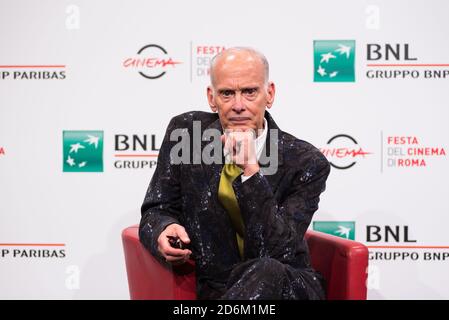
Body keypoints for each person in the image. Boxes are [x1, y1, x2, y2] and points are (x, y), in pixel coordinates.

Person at [139, 47, 330, 300]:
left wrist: (250, 171)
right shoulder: (187, 134)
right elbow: (156, 210)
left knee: (267, 268)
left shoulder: (305, 162)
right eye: (227, 93)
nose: (238, 105)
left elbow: (277, 249)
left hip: (284, 286)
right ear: (211, 97)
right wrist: (164, 228)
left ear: (269, 94)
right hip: (216, 288)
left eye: (250, 92)